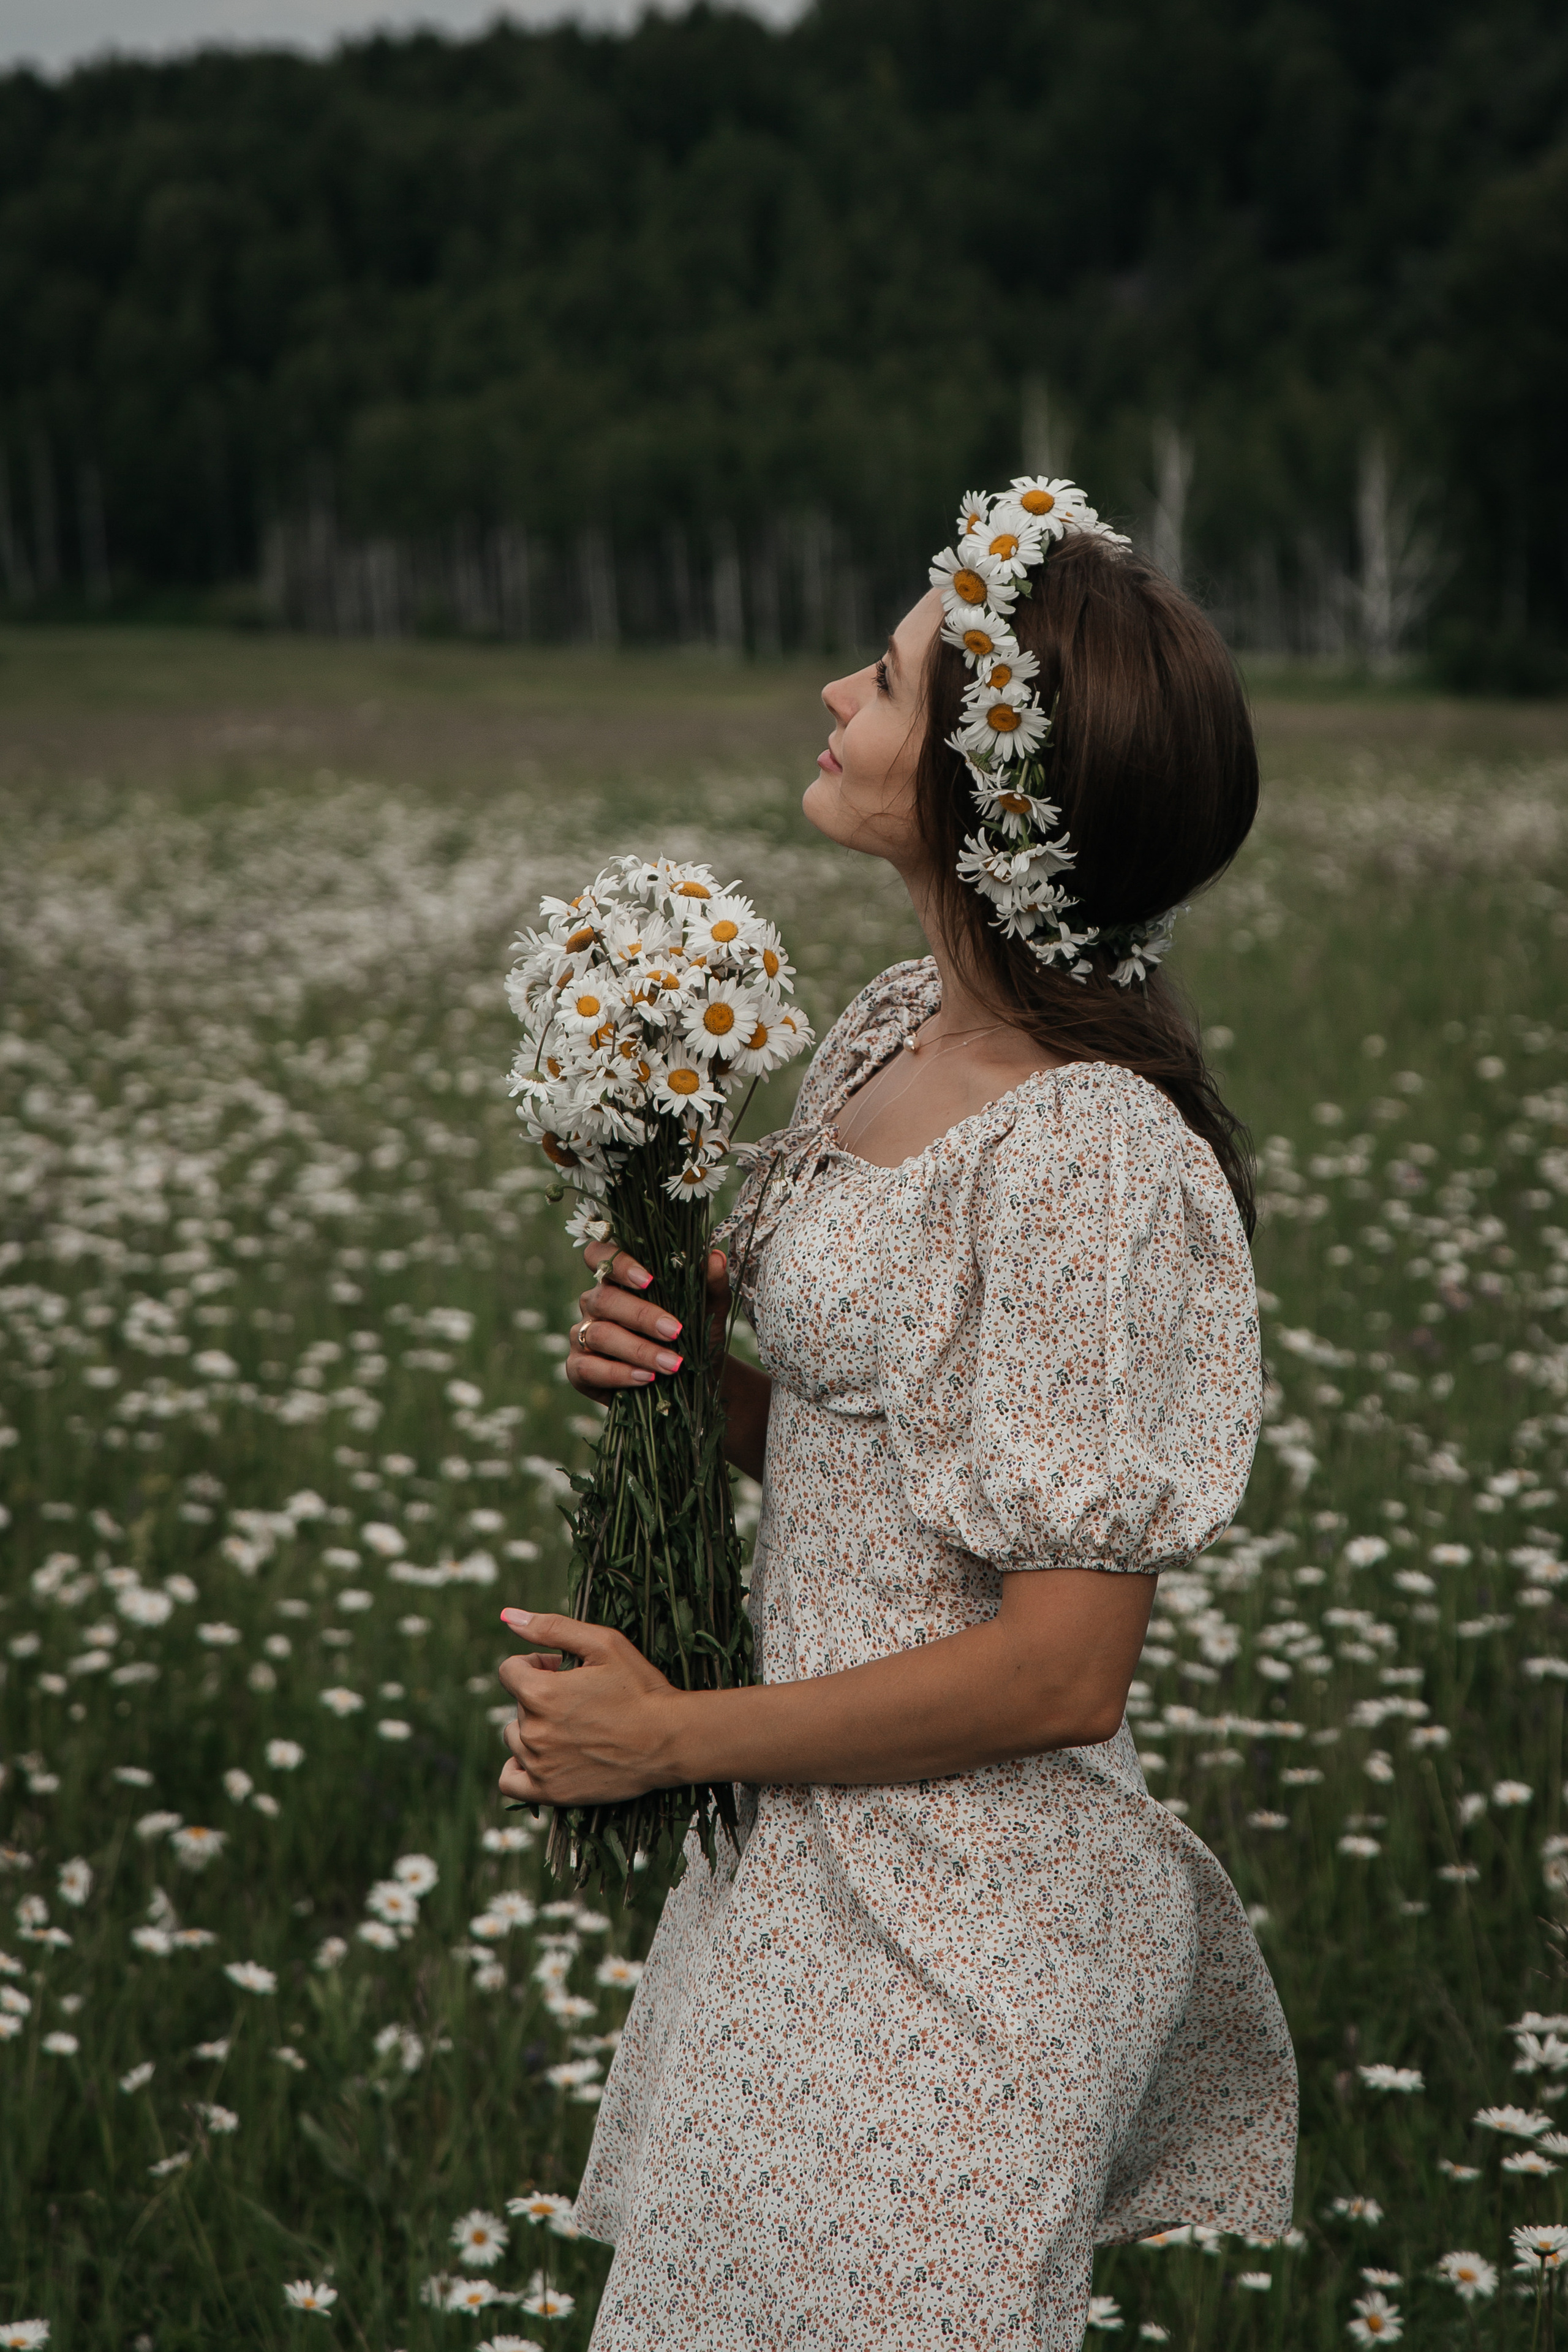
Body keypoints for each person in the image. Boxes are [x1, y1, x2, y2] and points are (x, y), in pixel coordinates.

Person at [496, 480, 1298, 2349]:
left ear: (987, 792)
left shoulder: (1090, 1154)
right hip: (806, 1873)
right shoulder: (888, 1031)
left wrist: (673, 1738)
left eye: (881, 675)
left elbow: (1060, 1673)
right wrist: (688, 1381)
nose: (831, 696)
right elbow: (891, 1457)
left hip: (969, 1930)